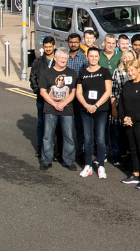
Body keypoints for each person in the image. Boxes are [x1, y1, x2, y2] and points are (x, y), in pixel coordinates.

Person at [36, 48, 79, 171]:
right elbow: (43, 92)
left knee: (68, 136)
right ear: (55, 59)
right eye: (61, 58)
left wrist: (63, 103)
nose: (63, 61)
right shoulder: (46, 73)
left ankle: (69, 161)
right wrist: (54, 104)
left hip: (67, 109)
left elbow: (73, 92)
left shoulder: (72, 73)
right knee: (48, 135)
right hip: (50, 109)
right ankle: (46, 160)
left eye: (65, 59)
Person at [75, 47, 113, 179]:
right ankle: (88, 165)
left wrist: (96, 105)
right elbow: (78, 92)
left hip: (101, 110)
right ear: (87, 57)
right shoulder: (82, 73)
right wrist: (86, 105)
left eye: (96, 56)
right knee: (88, 138)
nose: (93, 58)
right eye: (91, 56)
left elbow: (108, 91)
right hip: (86, 110)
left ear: (99, 57)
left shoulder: (105, 72)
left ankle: (101, 165)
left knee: (101, 138)